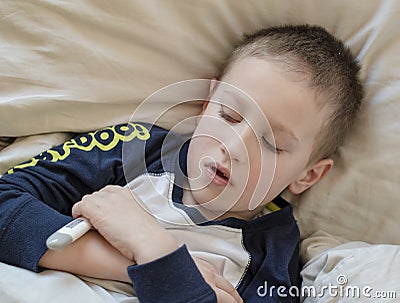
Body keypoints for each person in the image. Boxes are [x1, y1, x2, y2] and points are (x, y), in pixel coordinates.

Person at [0, 24, 363, 303]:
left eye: (272, 143)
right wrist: (140, 257)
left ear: (308, 175)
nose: (232, 147)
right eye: (230, 116)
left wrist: (157, 251)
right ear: (207, 104)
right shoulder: (134, 151)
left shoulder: (274, 258)